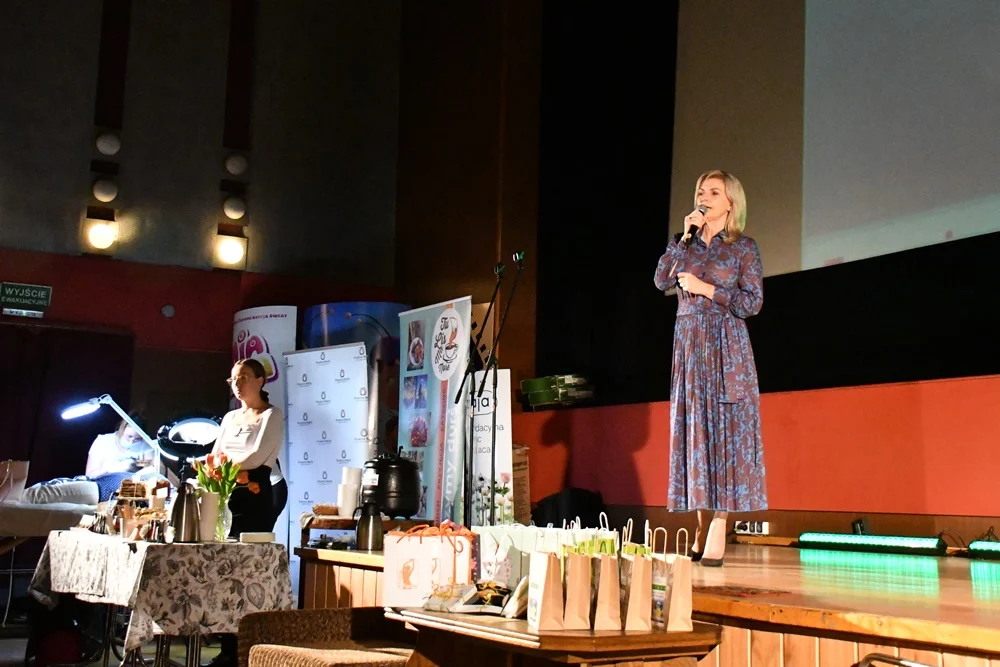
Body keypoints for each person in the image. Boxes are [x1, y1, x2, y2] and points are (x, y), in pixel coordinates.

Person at [653, 169, 767, 566]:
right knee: (697, 432)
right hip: (688, 346)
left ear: (731, 203)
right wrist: (683, 237)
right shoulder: (683, 242)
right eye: (701, 191)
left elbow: (752, 302)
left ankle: (720, 524)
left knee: (725, 433)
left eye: (714, 192)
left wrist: (707, 290)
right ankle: (702, 524)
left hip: (726, 345)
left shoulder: (743, 248)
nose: (704, 197)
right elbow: (660, 281)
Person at [209, 358, 286, 666]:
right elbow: (215, 453)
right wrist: (216, 470)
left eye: (243, 378)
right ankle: (226, 647)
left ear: (260, 381)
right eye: (233, 379)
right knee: (224, 572)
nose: (237, 384)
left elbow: (256, 456)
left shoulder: (271, 415)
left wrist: (225, 466)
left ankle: (248, 648)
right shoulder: (230, 417)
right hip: (226, 492)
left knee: (248, 573)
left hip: (254, 495)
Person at [85, 417, 155, 478]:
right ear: (122, 428)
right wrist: (110, 469)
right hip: (105, 483)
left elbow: (153, 466)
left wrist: (134, 464)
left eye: (137, 439)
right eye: (129, 436)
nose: (132, 441)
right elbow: (90, 475)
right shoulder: (102, 441)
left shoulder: (145, 444)